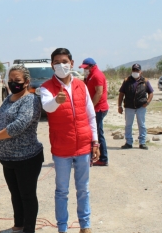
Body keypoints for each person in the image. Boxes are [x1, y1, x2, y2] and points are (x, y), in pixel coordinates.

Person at [40, 48, 99, 233]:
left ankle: (85, 225)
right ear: (52, 65)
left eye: (64, 61)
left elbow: (90, 115)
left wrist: (95, 142)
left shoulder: (81, 85)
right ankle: (62, 228)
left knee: (83, 189)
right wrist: (57, 100)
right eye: (56, 62)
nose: (61, 65)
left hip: (83, 145)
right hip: (61, 147)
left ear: (71, 63)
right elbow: (47, 108)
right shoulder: (46, 87)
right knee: (62, 191)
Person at [0, 64, 44, 233]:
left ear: (27, 82)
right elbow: (0, 119)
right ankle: (18, 225)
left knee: (27, 196)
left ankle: (29, 229)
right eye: (10, 80)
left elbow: (18, 126)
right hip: (7, 158)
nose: (13, 83)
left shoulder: (31, 100)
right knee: (15, 195)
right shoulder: (9, 98)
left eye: (17, 80)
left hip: (27, 158)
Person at [79, 58, 109, 166]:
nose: (85, 70)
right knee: (93, 132)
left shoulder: (97, 75)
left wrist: (90, 107)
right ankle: (93, 156)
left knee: (98, 133)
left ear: (92, 66)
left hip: (99, 109)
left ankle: (103, 158)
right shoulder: (90, 75)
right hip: (95, 108)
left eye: (86, 68)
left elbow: (99, 92)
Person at [118, 63, 154, 150]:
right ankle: (129, 142)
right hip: (129, 107)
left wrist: (148, 102)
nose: (135, 72)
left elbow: (151, 93)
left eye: (137, 70)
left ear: (140, 71)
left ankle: (142, 142)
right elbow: (121, 94)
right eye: (134, 70)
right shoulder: (127, 81)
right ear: (132, 71)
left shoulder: (145, 81)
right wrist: (119, 105)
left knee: (142, 125)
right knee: (128, 125)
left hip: (141, 106)